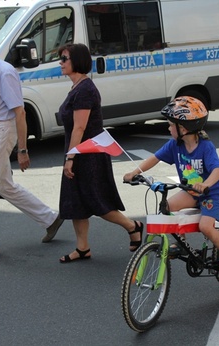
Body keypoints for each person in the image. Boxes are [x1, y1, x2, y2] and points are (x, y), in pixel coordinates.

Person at [0, 32, 64, 262]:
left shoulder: (4, 72)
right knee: (4, 186)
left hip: (0, 131)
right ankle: (49, 218)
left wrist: (23, 149)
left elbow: (19, 112)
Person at [123, 96, 219, 281]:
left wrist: (206, 184)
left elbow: (217, 170)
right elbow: (155, 158)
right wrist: (134, 172)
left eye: (170, 125)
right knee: (167, 207)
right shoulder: (175, 145)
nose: (168, 128)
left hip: (213, 193)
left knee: (205, 227)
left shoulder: (205, 147)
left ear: (183, 128)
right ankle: (181, 242)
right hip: (192, 192)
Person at [57, 43, 143, 263]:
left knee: (97, 201)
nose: (61, 62)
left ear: (77, 61)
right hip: (79, 152)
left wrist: (70, 157)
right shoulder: (77, 87)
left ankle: (133, 226)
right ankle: (82, 248)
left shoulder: (85, 89)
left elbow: (79, 127)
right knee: (76, 202)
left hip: (88, 155)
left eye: (64, 58)